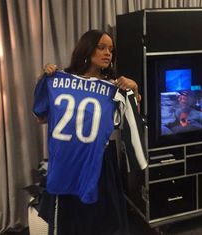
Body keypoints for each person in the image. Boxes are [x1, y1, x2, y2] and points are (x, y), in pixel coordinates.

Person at [33, 29, 145, 235]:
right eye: (101, 47)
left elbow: (129, 121)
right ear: (87, 48)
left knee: (103, 220)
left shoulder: (113, 87)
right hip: (69, 159)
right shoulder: (60, 81)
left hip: (100, 160)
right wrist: (44, 79)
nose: (107, 53)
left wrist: (135, 90)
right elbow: (42, 118)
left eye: (111, 49)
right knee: (70, 220)